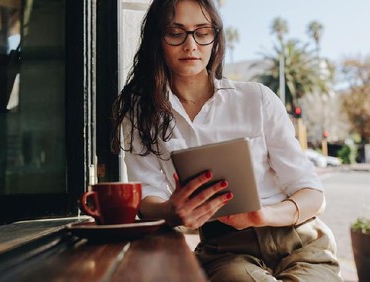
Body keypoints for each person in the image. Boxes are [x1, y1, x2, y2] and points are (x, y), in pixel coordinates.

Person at [112, 0, 342, 281]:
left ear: (215, 38)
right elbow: (146, 193)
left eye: (202, 32)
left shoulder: (257, 98)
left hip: (300, 239)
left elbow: (312, 195)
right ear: (156, 39)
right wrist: (170, 212)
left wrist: (263, 216)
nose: (191, 44)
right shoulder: (140, 113)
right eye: (175, 32)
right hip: (226, 250)